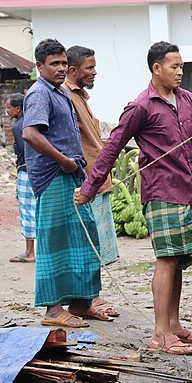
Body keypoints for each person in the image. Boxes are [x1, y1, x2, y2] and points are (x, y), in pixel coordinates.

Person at [75, 41, 192, 355]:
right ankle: (160, 335)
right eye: (174, 67)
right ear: (156, 68)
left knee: (176, 262)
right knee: (165, 261)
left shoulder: (188, 100)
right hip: (161, 193)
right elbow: (111, 149)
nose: (180, 73)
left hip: (187, 192)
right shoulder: (141, 106)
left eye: (182, 67)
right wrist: (89, 188)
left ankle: (174, 325)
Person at [22, 39, 102, 328]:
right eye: (53, 63)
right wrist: (62, 160)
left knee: (83, 237)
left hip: (71, 175)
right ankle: (53, 310)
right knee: (55, 242)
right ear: (39, 66)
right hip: (53, 177)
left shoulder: (60, 92)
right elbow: (30, 134)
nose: (60, 68)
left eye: (62, 63)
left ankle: (81, 302)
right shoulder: (39, 93)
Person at [64, 45, 121, 319]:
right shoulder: (66, 96)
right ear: (73, 70)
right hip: (87, 182)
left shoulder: (81, 97)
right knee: (89, 242)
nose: (94, 72)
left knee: (97, 243)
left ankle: (92, 296)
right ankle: (91, 298)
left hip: (98, 179)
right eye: (90, 68)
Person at [6, 93, 36, 263]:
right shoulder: (32, 121)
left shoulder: (18, 126)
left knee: (27, 211)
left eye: (9, 107)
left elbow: (26, 151)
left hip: (26, 171)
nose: (6, 111)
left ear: (18, 108)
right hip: (37, 171)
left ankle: (30, 252)